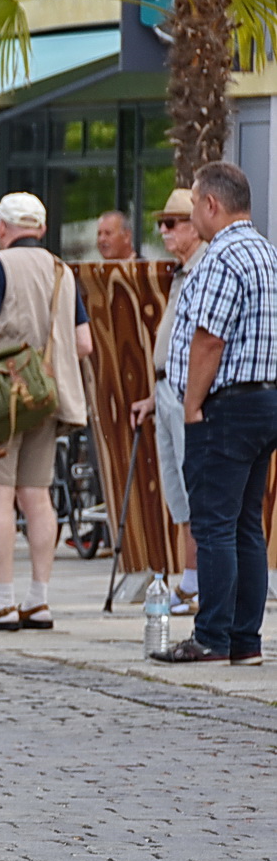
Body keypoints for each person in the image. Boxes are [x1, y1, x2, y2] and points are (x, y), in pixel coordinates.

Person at [0, 193, 93, 631]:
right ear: (41, 229)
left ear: (3, 228)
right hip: (45, 397)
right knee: (36, 495)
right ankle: (39, 601)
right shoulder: (62, 271)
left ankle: (2, 601)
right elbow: (83, 344)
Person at [151, 160, 277, 666]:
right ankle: (246, 639)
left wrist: (192, 406)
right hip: (265, 400)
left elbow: (208, 340)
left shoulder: (222, 256)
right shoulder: (266, 252)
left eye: (192, 204)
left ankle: (212, 636)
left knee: (215, 524)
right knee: (248, 523)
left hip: (226, 405)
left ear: (211, 205)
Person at [128, 189, 205, 615]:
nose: (163, 231)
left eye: (172, 223)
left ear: (195, 225)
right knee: (179, 494)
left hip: (186, 392)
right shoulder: (181, 272)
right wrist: (155, 396)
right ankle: (190, 581)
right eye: (161, 223)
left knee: (195, 492)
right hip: (168, 390)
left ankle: (198, 584)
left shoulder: (203, 270)